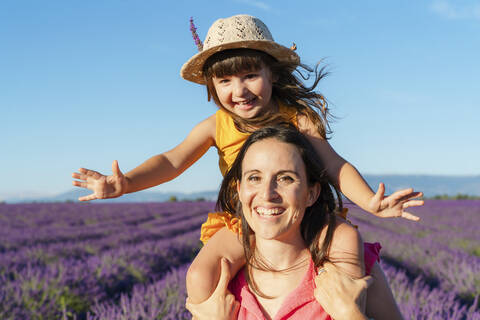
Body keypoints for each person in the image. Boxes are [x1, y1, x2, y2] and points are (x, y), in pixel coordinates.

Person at [71, 14, 420, 317]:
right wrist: (125, 183)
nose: (239, 90)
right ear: (212, 86)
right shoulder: (215, 126)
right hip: (245, 221)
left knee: (346, 243)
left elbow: (332, 163)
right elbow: (172, 160)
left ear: (272, 75)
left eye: (250, 75)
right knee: (199, 275)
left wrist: (370, 201)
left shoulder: (297, 118)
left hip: (307, 213)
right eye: (224, 81)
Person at [186, 124, 391, 319]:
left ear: (311, 193)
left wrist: (352, 316)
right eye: (254, 178)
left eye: (286, 178)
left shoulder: (351, 265)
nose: (267, 194)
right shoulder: (219, 285)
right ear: (239, 190)